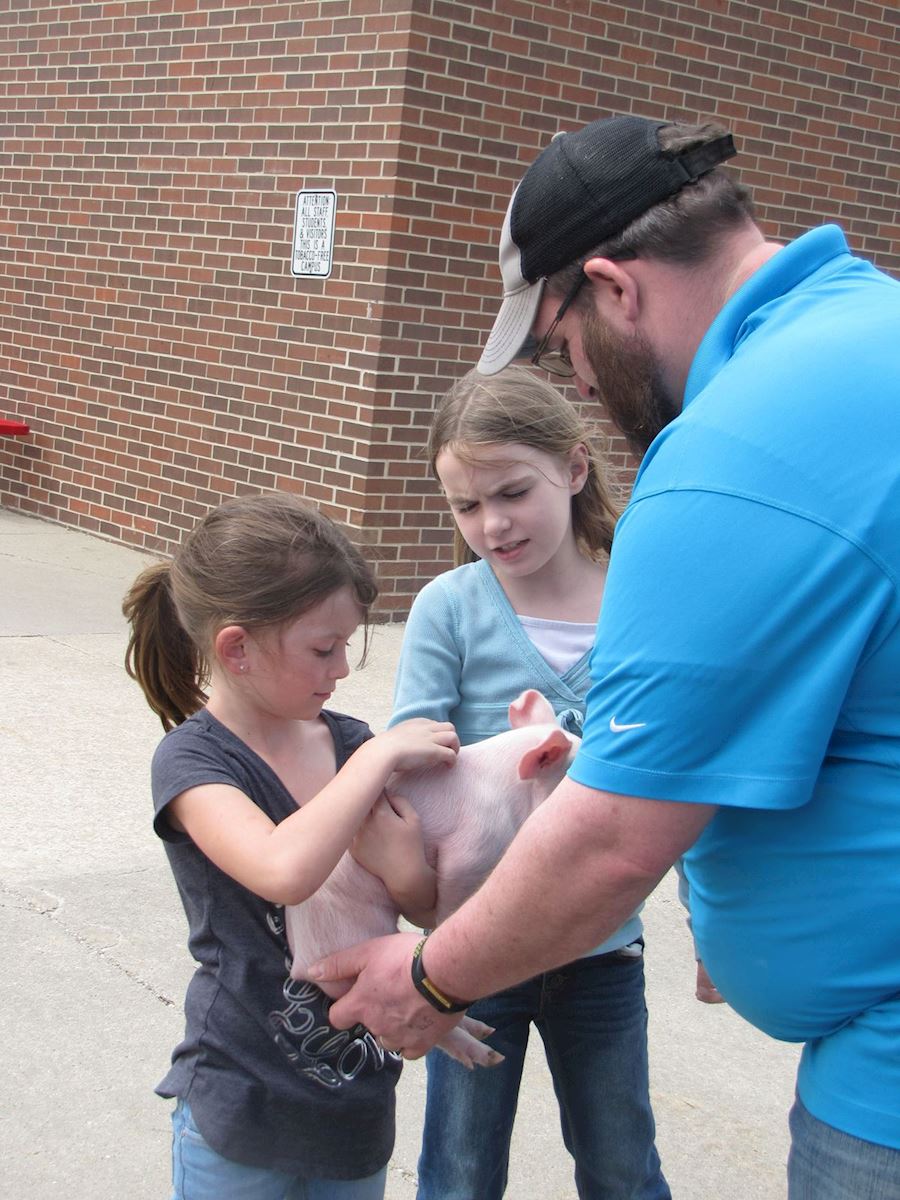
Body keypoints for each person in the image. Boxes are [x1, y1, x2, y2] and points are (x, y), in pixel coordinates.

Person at [309, 114, 900, 1199]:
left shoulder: (731, 455)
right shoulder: (870, 338)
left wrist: (430, 982)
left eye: (560, 347)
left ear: (612, 288)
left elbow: (613, 842)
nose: (577, 379)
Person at [122, 492, 459, 1200]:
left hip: (355, 1101)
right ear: (236, 648)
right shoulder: (193, 764)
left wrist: (409, 876)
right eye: (322, 648)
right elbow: (283, 869)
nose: (341, 670)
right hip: (242, 1109)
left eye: (347, 645)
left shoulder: (349, 742)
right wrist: (373, 765)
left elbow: (435, 914)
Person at [389, 365, 669, 1199]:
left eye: (513, 491)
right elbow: (407, 758)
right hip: (479, 950)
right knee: (461, 1170)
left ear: (576, 469)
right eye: (466, 506)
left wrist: (712, 918)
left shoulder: (643, 596)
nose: (491, 523)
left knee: (622, 1162)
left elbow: (676, 766)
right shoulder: (450, 606)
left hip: (603, 944)